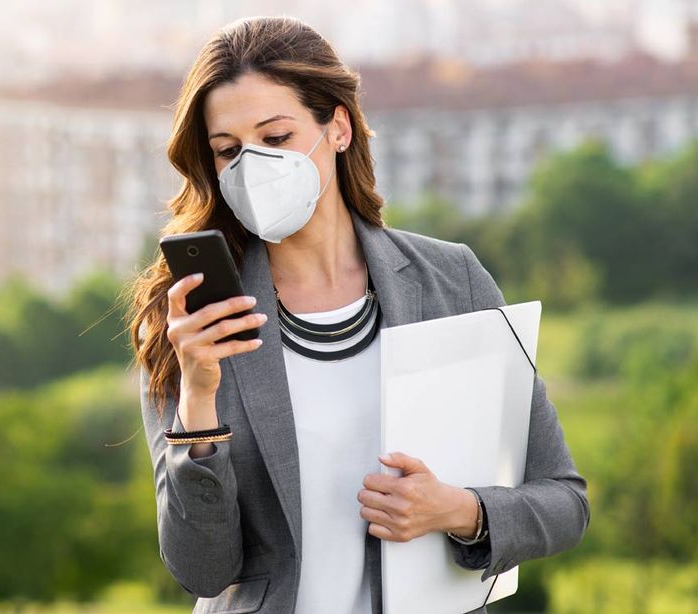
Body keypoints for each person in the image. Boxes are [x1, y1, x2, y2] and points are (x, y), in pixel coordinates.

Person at [124, 15, 589, 614]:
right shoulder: (192, 320)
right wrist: (199, 397)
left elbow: (564, 502)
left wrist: (458, 510)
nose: (252, 165)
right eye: (228, 150)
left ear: (337, 127)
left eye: (276, 136)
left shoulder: (452, 280)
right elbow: (203, 570)